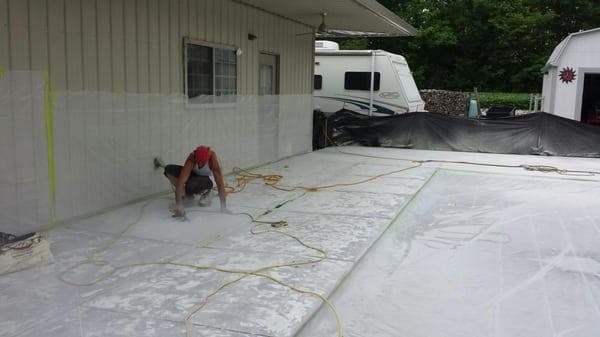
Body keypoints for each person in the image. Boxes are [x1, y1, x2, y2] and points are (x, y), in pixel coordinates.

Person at [163, 146, 227, 217]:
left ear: (207, 159)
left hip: (207, 180)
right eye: (198, 162)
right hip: (194, 176)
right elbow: (181, 181)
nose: (199, 165)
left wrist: (223, 207)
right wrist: (179, 204)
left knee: (191, 184)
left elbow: (219, 183)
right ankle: (185, 194)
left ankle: (207, 192)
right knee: (168, 169)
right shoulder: (192, 157)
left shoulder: (212, 159)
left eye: (202, 163)